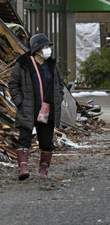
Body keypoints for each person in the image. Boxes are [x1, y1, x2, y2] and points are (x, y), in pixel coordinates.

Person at [8, 33, 64, 180]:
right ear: (37, 49)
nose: (47, 50)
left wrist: (58, 99)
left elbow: (59, 84)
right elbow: (13, 84)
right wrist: (20, 101)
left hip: (47, 109)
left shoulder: (51, 65)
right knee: (24, 138)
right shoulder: (23, 64)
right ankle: (23, 168)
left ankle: (43, 170)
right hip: (28, 108)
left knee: (46, 141)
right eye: (44, 47)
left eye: (48, 47)